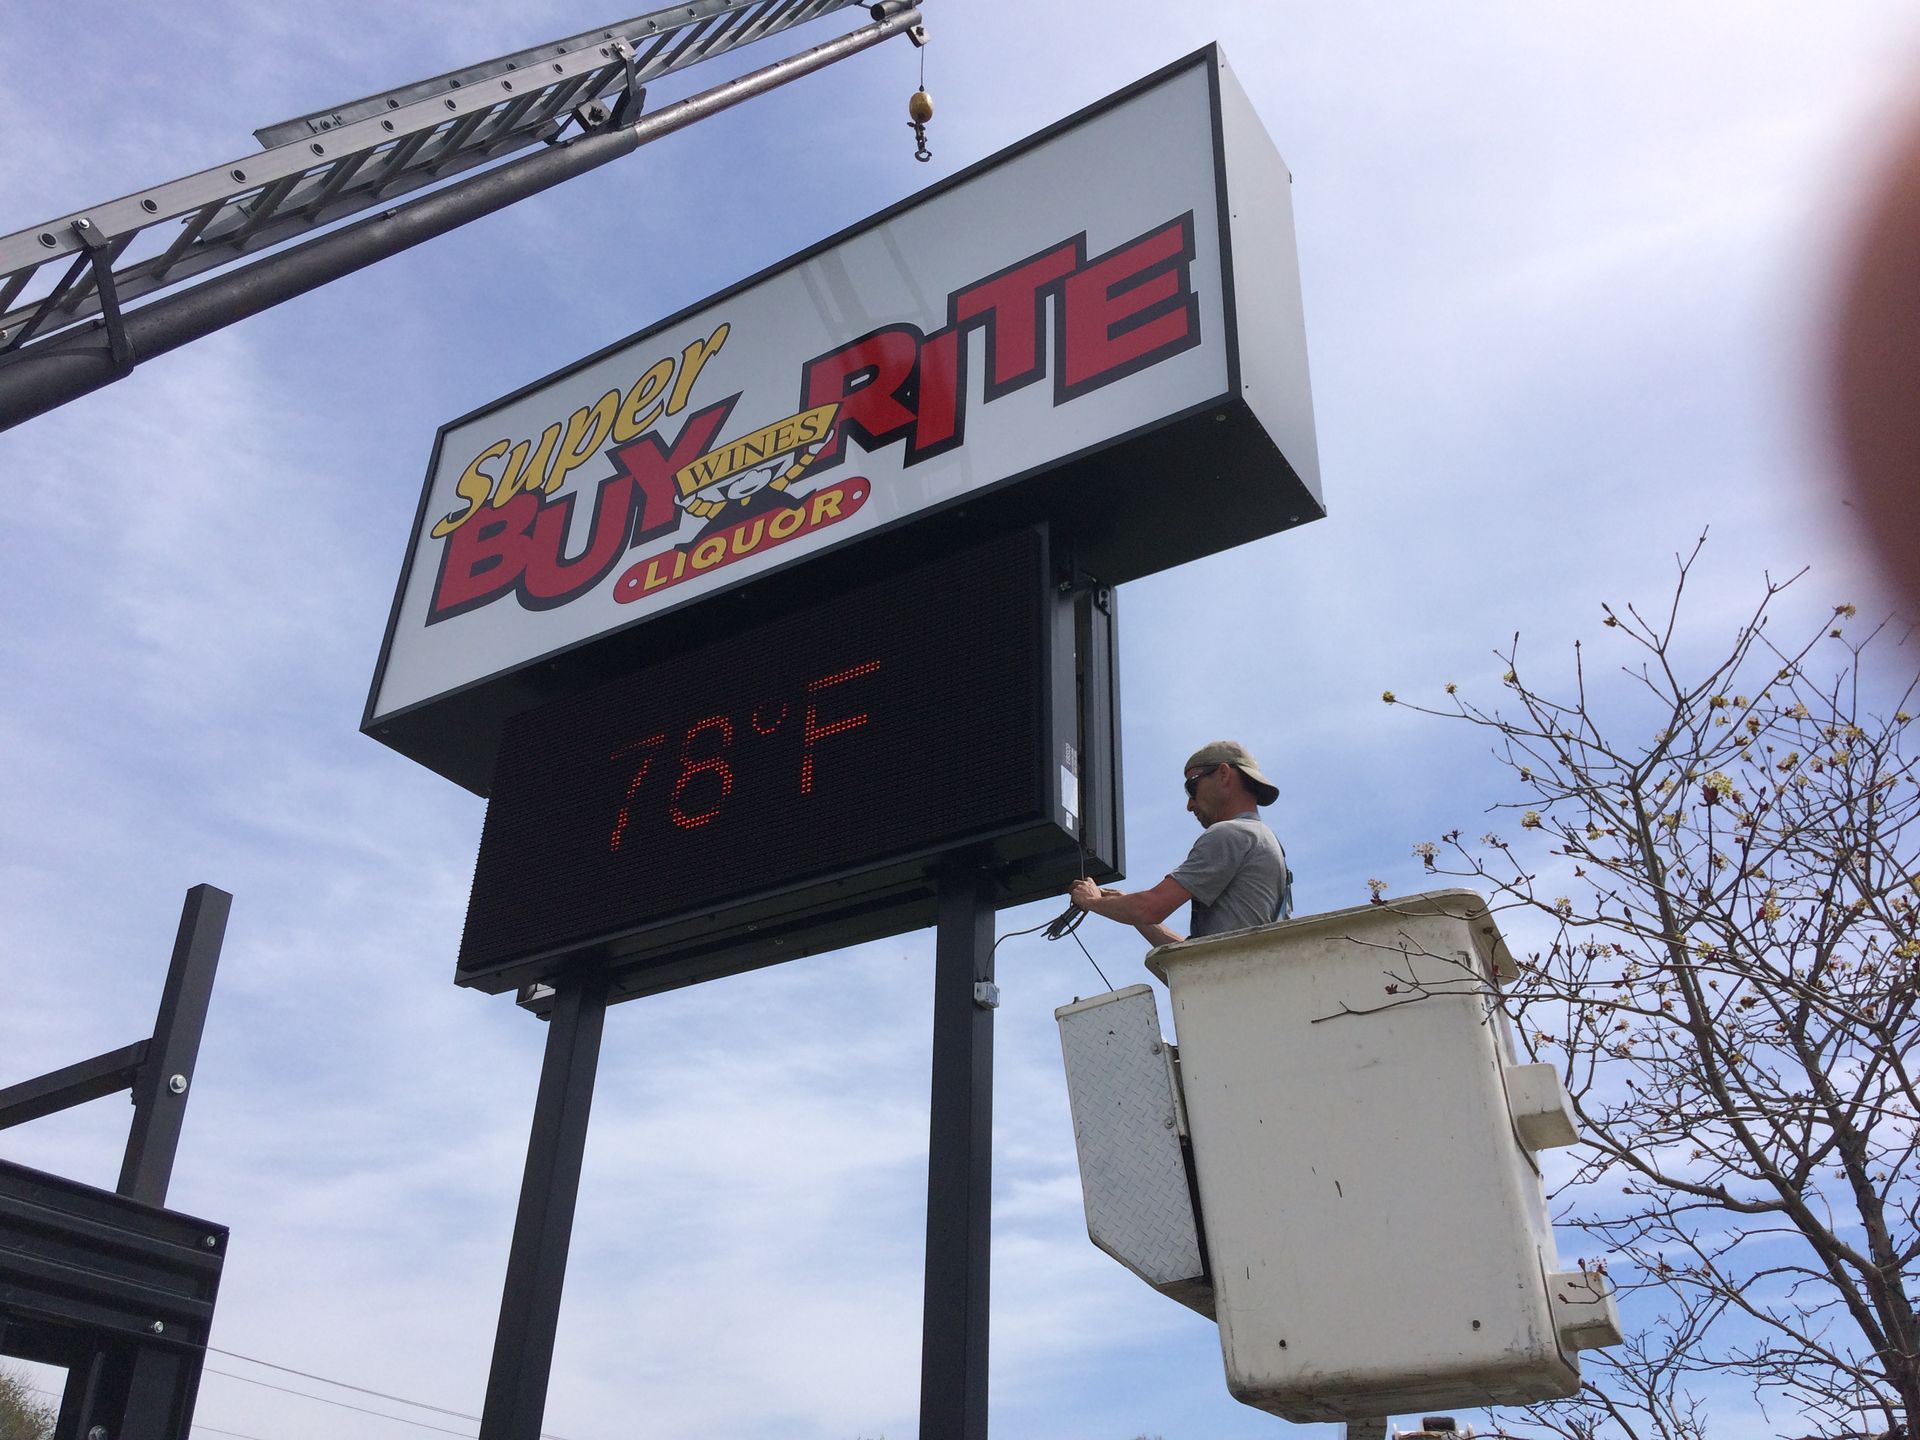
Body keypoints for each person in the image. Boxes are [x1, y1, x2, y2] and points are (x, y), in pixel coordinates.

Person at [1069, 740, 1289, 947]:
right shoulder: (1264, 840)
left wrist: (1092, 901)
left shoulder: (1230, 834)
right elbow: (1193, 961)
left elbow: (1151, 907)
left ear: (1224, 774)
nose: (1190, 805)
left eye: (1192, 787)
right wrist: (1124, 906)